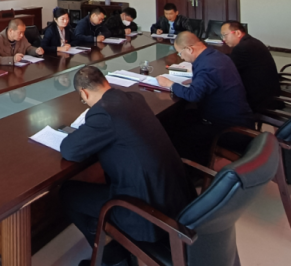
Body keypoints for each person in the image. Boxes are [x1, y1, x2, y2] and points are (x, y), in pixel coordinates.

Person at [61, 66, 194, 266]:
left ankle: (113, 259)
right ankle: (114, 249)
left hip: (147, 210)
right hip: (174, 197)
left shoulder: (103, 113)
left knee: (68, 193)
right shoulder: (134, 98)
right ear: (105, 82)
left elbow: (70, 150)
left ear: (84, 93)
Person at [156, 32, 254, 166]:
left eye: (180, 53)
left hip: (230, 129)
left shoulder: (207, 65)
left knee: (178, 134)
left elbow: (194, 95)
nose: (181, 57)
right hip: (238, 117)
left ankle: (194, 171)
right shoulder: (215, 56)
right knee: (179, 118)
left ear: (189, 49)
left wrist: (170, 84)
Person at [221, 21, 282, 112]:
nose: (223, 39)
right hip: (269, 92)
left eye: (225, 35)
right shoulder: (251, 42)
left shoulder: (242, 48)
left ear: (237, 33)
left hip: (259, 99)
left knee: (219, 93)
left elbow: (228, 71)